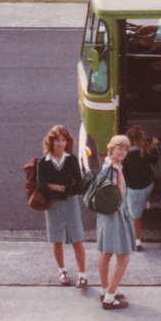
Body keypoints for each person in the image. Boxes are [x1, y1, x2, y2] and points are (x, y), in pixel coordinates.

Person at [35, 125, 87, 288]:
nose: (60, 143)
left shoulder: (71, 160)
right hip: (54, 206)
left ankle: (82, 274)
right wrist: (65, 190)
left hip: (71, 205)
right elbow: (42, 187)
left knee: (77, 239)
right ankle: (62, 270)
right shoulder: (43, 162)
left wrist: (58, 188)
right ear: (51, 142)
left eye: (64, 140)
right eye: (57, 140)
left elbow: (79, 186)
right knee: (56, 239)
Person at [96, 134, 138, 310]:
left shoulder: (108, 165)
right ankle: (109, 297)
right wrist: (120, 172)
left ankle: (106, 289)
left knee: (106, 253)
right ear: (111, 149)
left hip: (107, 215)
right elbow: (119, 194)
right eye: (119, 148)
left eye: (125, 148)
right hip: (115, 216)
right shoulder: (113, 169)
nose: (122, 151)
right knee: (124, 258)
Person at [122, 125, 158, 252]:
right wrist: (154, 147)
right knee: (137, 203)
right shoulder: (145, 151)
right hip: (149, 185)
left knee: (135, 218)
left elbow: (123, 175)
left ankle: (136, 243)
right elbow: (154, 161)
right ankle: (144, 201)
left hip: (135, 190)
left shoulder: (125, 157)